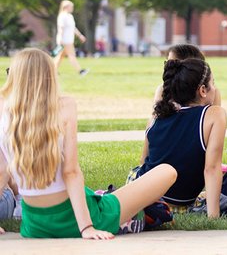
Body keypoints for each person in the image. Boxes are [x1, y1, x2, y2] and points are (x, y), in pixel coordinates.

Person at [0, 49, 176, 238]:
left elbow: (1, 170)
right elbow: (71, 172)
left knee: (98, 196)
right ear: (49, 75)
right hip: (83, 218)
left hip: (35, 224)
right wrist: (86, 228)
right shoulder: (64, 106)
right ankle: (128, 216)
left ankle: (110, 204)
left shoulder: (4, 108)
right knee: (167, 171)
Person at [135, 58, 227, 217]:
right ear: (203, 90)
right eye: (213, 83)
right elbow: (211, 169)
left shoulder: (158, 115)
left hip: (141, 196)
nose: (216, 88)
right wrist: (214, 217)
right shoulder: (215, 115)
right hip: (174, 206)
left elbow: (144, 161)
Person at [53, 0, 88, 76]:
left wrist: (80, 35)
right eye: (71, 7)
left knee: (60, 56)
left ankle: (53, 70)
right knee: (71, 55)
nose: (72, 8)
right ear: (66, 7)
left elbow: (73, 28)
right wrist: (60, 39)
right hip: (64, 40)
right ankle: (80, 71)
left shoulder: (70, 16)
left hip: (69, 40)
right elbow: (61, 28)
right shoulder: (62, 16)